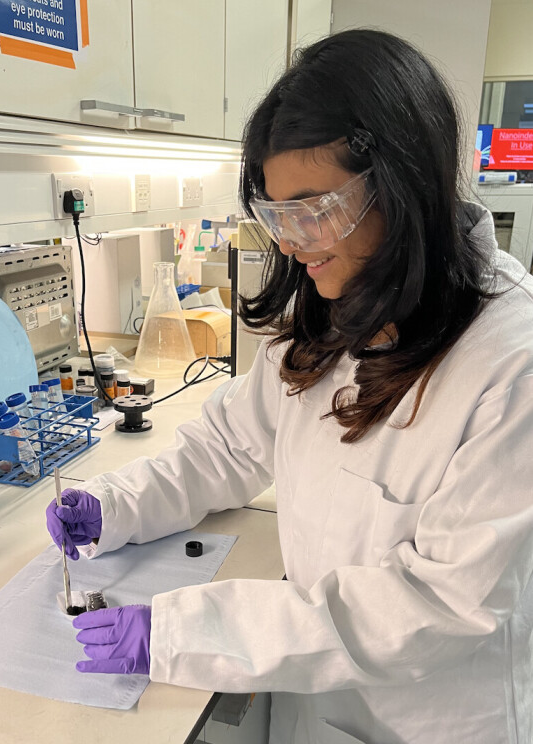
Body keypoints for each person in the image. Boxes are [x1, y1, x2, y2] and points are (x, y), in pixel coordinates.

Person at [46, 29, 533, 744]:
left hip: (435, 718)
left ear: (404, 184)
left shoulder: (509, 361)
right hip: (318, 699)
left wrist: (179, 633)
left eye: (314, 208)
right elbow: (227, 451)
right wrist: (115, 506)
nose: (288, 239)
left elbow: (436, 604)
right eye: (275, 212)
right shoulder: (335, 310)